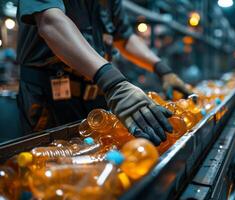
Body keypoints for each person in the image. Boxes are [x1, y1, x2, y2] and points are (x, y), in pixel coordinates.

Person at [16, 0, 192, 146]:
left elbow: (124, 38)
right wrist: (114, 83)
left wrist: (162, 69)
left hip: (96, 99)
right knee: (52, 167)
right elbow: (50, 22)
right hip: (51, 101)